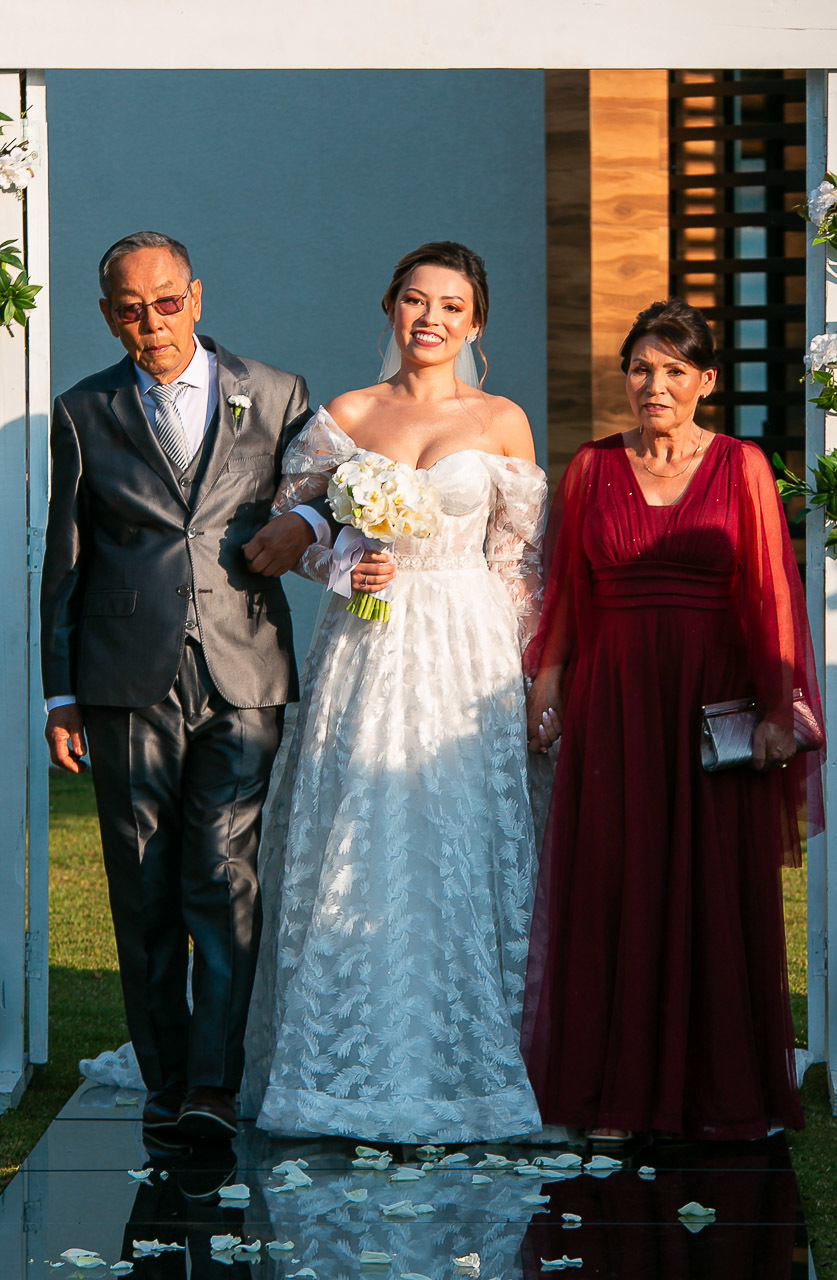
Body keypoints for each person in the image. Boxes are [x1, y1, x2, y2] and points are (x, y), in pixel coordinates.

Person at [40, 231, 393, 1144]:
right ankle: (165, 1083)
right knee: (143, 884)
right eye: (130, 309)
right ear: (108, 315)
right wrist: (58, 693)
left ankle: (213, 1086)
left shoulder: (274, 392)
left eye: (166, 303)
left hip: (243, 668)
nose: (151, 323)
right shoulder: (82, 410)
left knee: (224, 877)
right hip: (123, 677)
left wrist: (307, 518)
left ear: (195, 297)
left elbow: (326, 492)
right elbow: (65, 560)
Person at [241, 241, 547, 1142]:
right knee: (362, 831)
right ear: (389, 307)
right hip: (367, 651)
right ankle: (342, 1065)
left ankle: (473, 1062)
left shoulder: (501, 420)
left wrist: (531, 677)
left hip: (467, 652)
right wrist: (344, 563)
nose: (430, 319)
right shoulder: (346, 414)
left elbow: (519, 564)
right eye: (415, 300)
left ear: (476, 324)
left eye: (451, 306)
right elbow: (288, 534)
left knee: (458, 836)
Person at [523, 298, 825, 1142]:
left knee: (711, 886)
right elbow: (567, 591)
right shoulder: (590, 467)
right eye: (639, 369)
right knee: (612, 881)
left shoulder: (741, 465)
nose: (653, 385)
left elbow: (769, 592)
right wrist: (546, 682)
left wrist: (777, 707)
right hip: (613, 703)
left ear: (706, 381)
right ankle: (610, 1092)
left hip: (709, 705)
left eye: (672, 371)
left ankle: (716, 1091)